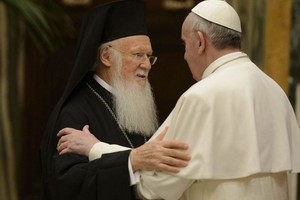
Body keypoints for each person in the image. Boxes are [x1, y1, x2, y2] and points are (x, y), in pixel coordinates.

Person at [57, 0, 300, 199]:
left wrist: (96, 148)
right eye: (137, 54)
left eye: (185, 44)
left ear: (200, 42)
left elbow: (155, 186)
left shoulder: (203, 96)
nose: (184, 55)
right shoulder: (276, 91)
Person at [40, 0, 191, 200]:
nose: (147, 64)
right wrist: (130, 162)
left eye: (149, 56)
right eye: (138, 55)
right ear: (106, 56)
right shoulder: (75, 113)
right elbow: (69, 184)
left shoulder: (136, 107)